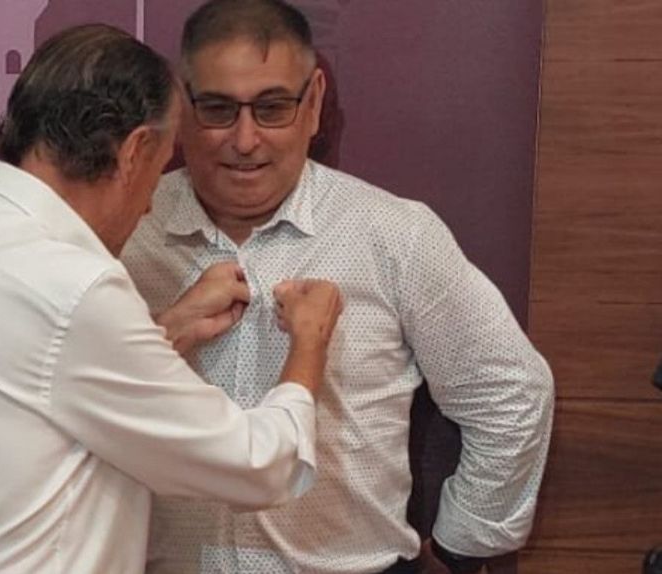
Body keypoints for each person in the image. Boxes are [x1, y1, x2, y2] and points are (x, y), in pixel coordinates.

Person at [0, 23, 344, 574]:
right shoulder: (75, 285)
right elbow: (257, 465)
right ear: (135, 152)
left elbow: (31, 387)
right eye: (159, 172)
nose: (149, 207)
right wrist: (309, 345)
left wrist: (169, 329)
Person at [120, 1, 556, 573]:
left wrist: (458, 550)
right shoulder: (126, 234)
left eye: (273, 108)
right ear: (182, 102)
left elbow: (510, 393)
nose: (245, 140)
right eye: (218, 109)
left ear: (314, 103)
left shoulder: (394, 235)